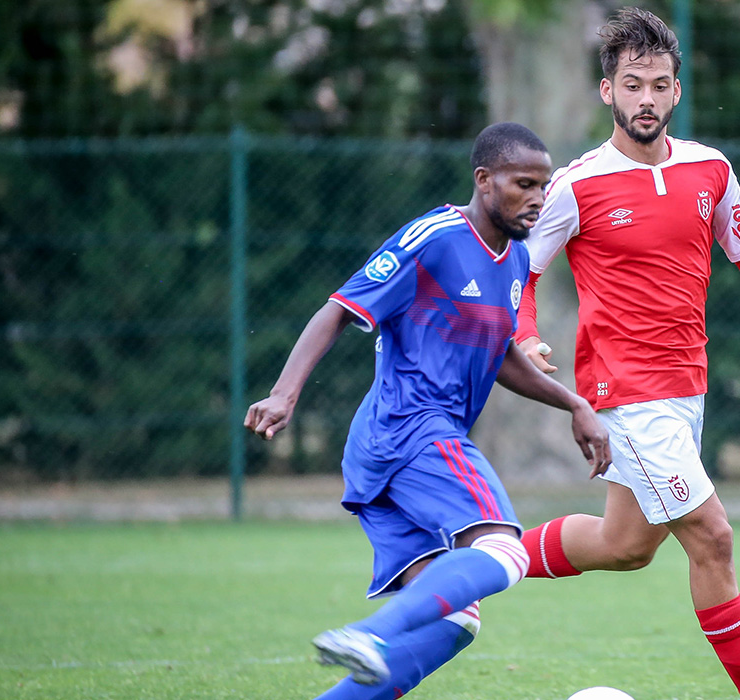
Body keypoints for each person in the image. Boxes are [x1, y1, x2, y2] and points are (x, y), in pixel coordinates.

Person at [244, 121, 611, 700]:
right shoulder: (436, 236)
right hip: (413, 429)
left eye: (543, 186)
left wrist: (572, 405)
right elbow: (340, 307)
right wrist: (285, 392)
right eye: (524, 184)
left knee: (454, 621)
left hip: (391, 447)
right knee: (502, 549)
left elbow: (499, 356)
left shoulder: (514, 260)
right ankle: (366, 634)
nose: (538, 198)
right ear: (484, 180)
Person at [514, 8, 740, 700]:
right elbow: (519, 271)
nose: (647, 99)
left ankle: (478, 556)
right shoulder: (578, 184)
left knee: (626, 546)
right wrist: (523, 334)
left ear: (677, 92)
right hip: (626, 393)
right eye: (633, 84)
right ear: (607, 91)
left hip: (685, 386)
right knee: (713, 536)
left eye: (660, 85)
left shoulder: (710, 167)